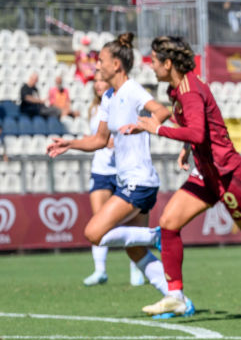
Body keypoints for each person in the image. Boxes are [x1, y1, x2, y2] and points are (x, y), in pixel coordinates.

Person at [98, 35, 241, 318]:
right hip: (208, 174)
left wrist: (158, 129)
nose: (151, 67)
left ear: (168, 63)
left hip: (230, 177)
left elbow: (197, 132)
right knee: (168, 223)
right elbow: (198, 131)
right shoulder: (178, 89)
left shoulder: (188, 91)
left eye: (154, 61)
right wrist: (188, 148)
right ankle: (175, 295)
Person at [45, 32, 177, 312]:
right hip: (126, 181)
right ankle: (176, 299)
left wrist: (144, 125)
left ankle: (157, 236)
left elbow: (162, 112)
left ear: (116, 64)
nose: (97, 65)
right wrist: (70, 143)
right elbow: (99, 140)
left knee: (94, 232)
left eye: (101, 60)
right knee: (134, 248)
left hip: (140, 181)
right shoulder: (109, 96)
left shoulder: (131, 90)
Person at [80, 78, 146, 287]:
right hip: (100, 170)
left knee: (129, 222)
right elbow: (97, 137)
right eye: (96, 83)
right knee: (99, 221)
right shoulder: (93, 109)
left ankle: (136, 268)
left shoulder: (121, 104)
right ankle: (100, 270)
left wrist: (116, 140)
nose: (98, 86)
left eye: (102, 82)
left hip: (122, 171)